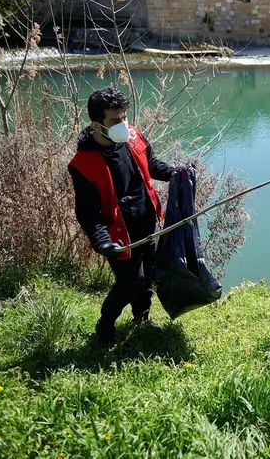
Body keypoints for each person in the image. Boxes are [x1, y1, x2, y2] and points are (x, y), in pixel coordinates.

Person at [68, 88, 177, 347]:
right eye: (115, 121)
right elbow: (87, 211)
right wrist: (102, 242)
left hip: (147, 223)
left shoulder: (134, 138)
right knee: (129, 284)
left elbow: (151, 165)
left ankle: (142, 318)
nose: (123, 125)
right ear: (97, 125)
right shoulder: (83, 164)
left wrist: (174, 172)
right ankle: (105, 324)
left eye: (124, 117)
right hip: (119, 234)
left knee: (148, 276)